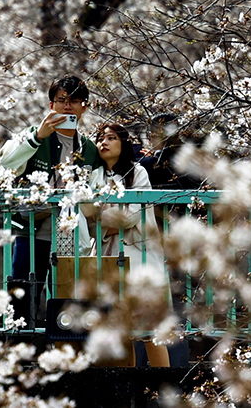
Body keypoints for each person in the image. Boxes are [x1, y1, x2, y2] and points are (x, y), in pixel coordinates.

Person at [0, 76, 100, 329]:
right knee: (21, 295)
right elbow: (7, 161)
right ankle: (18, 355)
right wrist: (37, 136)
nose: (68, 107)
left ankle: (63, 352)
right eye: (62, 100)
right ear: (51, 103)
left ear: (84, 106)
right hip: (32, 230)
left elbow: (96, 195)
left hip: (71, 236)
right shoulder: (34, 137)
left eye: (75, 101)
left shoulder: (88, 148)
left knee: (66, 301)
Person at [82, 123, 170, 367]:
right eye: (100, 138)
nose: (104, 142)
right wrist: (105, 221)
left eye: (111, 138)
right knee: (118, 328)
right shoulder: (93, 175)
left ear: (123, 144)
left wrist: (102, 219)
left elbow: (132, 215)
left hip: (138, 255)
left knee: (148, 328)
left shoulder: (137, 172)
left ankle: (164, 385)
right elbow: (87, 213)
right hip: (106, 255)